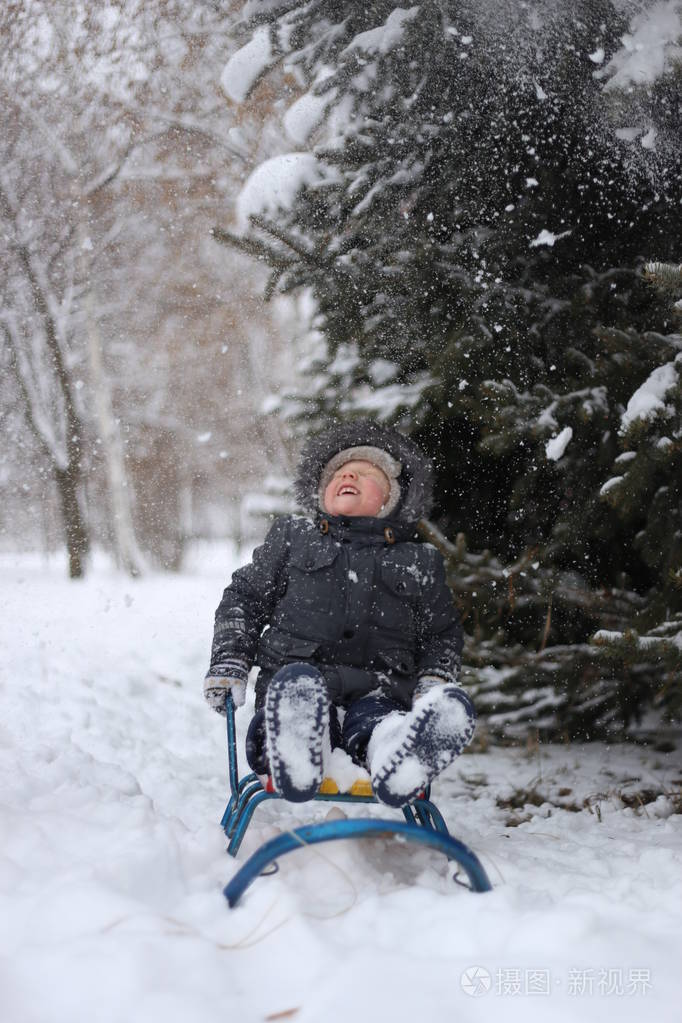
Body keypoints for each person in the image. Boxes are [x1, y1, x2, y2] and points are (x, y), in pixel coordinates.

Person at [204, 420, 475, 807]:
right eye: (339, 472)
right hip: (294, 687)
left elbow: (441, 633)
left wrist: (435, 677)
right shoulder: (292, 539)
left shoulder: (419, 561)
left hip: (381, 692)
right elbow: (244, 598)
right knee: (297, 702)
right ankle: (298, 742)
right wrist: (230, 658)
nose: (349, 473)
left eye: (366, 473)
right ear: (321, 493)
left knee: (380, 727)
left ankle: (400, 754)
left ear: (392, 498)